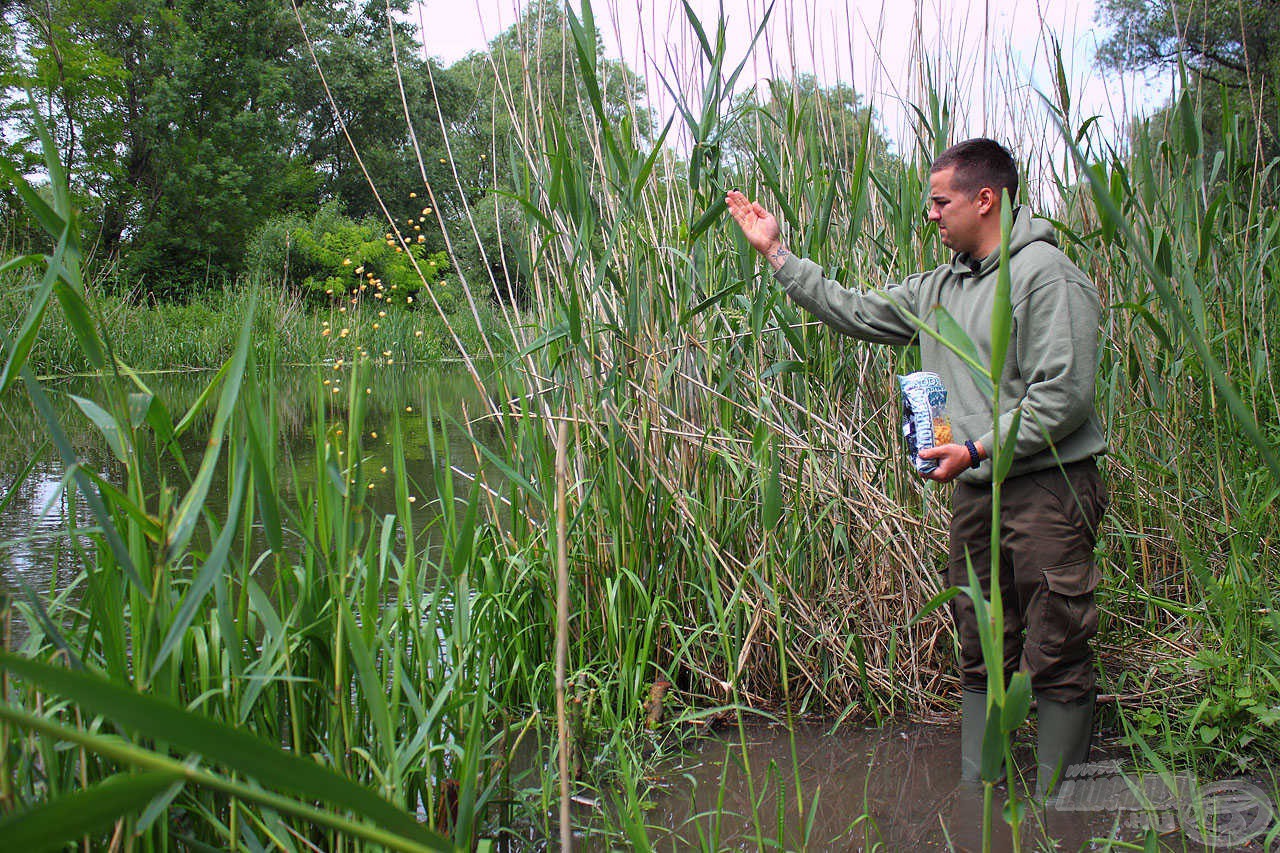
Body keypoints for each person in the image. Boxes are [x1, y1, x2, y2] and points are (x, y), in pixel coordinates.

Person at [725, 138, 1108, 797]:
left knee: (1057, 646)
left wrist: (978, 448)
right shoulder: (938, 287)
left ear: (985, 200)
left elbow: (1063, 395)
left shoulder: (1047, 275)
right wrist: (774, 253)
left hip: (1047, 487)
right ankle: (977, 793)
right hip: (975, 491)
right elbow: (853, 308)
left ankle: (1059, 809)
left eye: (940, 201)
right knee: (981, 643)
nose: (930, 214)